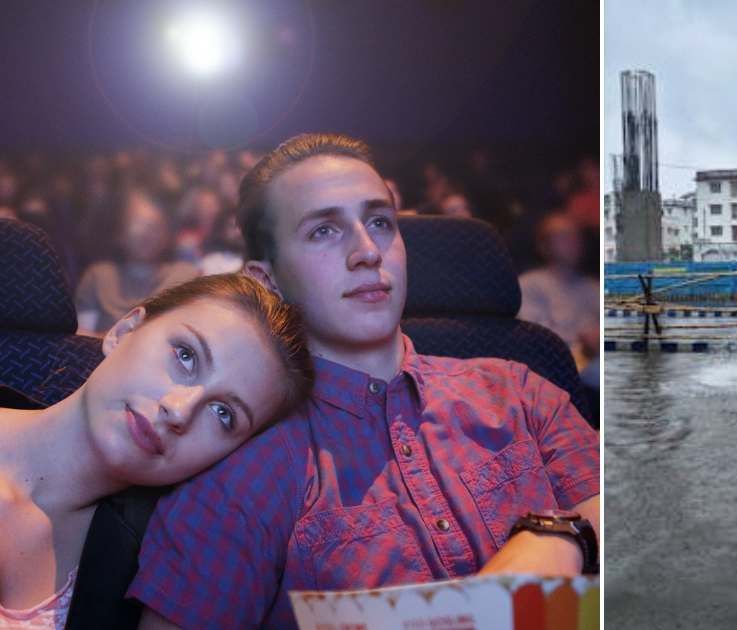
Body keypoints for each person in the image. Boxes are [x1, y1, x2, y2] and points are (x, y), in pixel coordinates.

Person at [132, 133, 600, 629]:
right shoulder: (240, 475)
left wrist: (555, 536)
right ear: (267, 280)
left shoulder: (519, 392)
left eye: (379, 222)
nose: (367, 251)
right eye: (323, 232)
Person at [0, 273, 313, 629]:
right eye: (185, 355)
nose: (179, 410)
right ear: (123, 331)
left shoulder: (148, 569)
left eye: (223, 414)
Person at [75, 189, 199, 337]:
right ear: (120, 233)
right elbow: (81, 336)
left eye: (155, 226)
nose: (146, 233)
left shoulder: (185, 276)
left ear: (167, 235)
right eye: (138, 224)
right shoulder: (99, 275)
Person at [517, 212, 601, 370]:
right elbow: (536, 341)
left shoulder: (593, 287)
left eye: (576, 237)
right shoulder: (528, 284)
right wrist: (585, 345)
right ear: (543, 246)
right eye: (563, 237)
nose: (572, 242)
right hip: (552, 367)